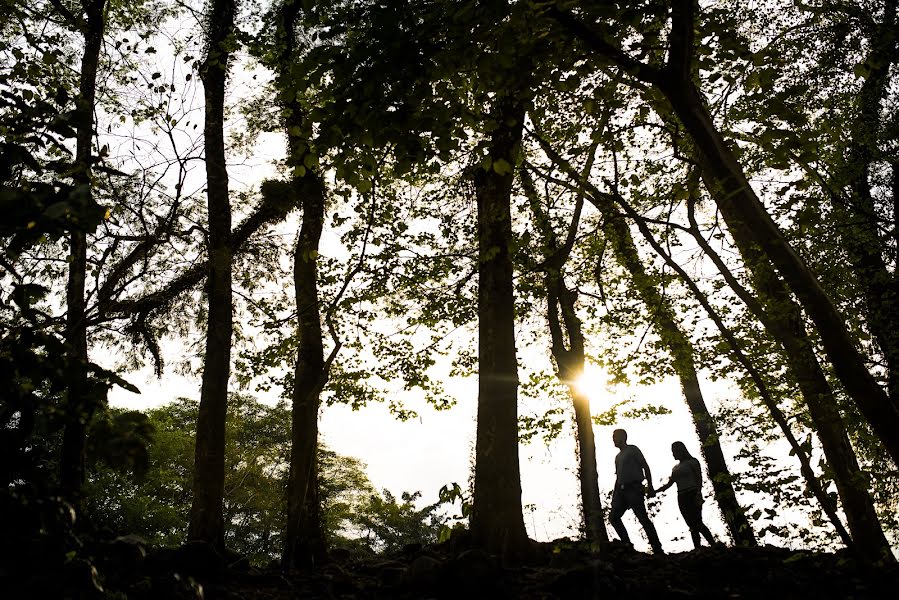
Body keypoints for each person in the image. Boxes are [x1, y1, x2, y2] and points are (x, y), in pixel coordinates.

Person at [609, 428, 664, 554]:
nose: (613, 440)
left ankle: (657, 548)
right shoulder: (617, 457)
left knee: (642, 517)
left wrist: (650, 486)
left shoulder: (632, 449)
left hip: (634, 488)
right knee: (613, 517)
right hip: (621, 490)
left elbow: (645, 466)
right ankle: (627, 544)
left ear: (623, 437)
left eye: (615, 437)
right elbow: (618, 477)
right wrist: (615, 495)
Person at [656, 441, 717, 549]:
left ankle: (713, 544)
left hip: (692, 493)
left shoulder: (692, 462)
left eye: (674, 451)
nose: (673, 454)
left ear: (680, 451)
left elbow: (699, 478)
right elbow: (670, 483)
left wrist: (698, 493)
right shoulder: (675, 468)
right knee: (691, 524)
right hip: (681, 496)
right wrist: (656, 491)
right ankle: (697, 547)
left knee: (697, 521)